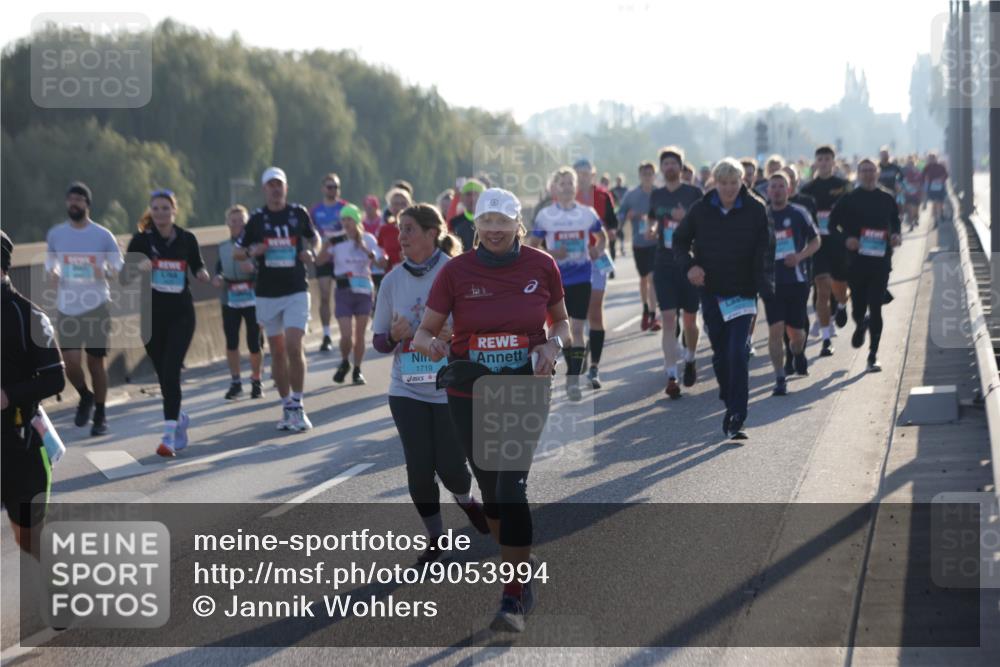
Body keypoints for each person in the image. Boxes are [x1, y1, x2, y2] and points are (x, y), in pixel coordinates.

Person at [413, 187, 569, 633]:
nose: (495, 230)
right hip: (469, 394)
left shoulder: (542, 266)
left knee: (511, 488)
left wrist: (552, 344)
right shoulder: (455, 272)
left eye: (503, 222)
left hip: (524, 387)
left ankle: (513, 594)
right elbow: (425, 333)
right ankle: (519, 563)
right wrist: (434, 345)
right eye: (487, 222)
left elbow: (561, 321)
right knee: (492, 491)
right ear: (475, 226)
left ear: (517, 224)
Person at [372, 203, 489, 564]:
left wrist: (455, 333)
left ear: (430, 233)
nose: (401, 236)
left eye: (408, 229)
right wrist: (393, 335)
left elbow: (483, 328)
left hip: (449, 386)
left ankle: (466, 500)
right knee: (419, 468)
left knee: (453, 470)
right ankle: (437, 539)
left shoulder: (456, 272)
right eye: (399, 229)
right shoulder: (392, 280)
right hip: (406, 388)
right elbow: (378, 342)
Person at [674, 158, 774, 438]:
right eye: (724, 183)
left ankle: (737, 416)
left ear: (743, 181)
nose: (729, 189)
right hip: (712, 292)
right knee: (721, 355)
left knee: (738, 352)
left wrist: (765, 286)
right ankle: (729, 400)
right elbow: (679, 242)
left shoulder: (756, 208)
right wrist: (690, 266)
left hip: (743, 292)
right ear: (715, 183)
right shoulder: (702, 209)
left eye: (734, 183)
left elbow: (767, 248)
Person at [122, 190, 211, 456]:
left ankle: (168, 435)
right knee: (163, 376)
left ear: (174, 211)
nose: (161, 212)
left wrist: (202, 273)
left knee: (171, 371)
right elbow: (124, 277)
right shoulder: (140, 241)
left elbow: (197, 266)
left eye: (165, 208)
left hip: (181, 314)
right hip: (151, 317)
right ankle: (180, 419)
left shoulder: (187, 239)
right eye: (156, 208)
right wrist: (138, 268)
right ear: (151, 211)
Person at [234, 167, 319, 432]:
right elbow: (237, 252)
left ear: (285, 187)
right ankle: (287, 406)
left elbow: (314, 238)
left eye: (279, 184)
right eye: (270, 185)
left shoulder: (298, 213)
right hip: (268, 292)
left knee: (295, 345)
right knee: (278, 350)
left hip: (295, 288)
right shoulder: (257, 219)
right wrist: (251, 250)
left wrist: (311, 253)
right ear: (264, 189)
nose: (275, 189)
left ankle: (299, 403)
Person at [2, 231, 65, 554]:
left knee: (29, 538)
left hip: (18, 441)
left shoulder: (27, 315)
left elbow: (55, 379)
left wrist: (8, 395)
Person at [44, 181, 123, 436]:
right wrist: (53, 272)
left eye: (79, 199)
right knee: (69, 363)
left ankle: (100, 414)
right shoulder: (56, 234)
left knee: (95, 363)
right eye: (70, 199)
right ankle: (84, 395)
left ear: (87, 204)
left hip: (96, 305)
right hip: (67, 306)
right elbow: (50, 262)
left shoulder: (102, 235)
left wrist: (106, 272)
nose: (74, 203)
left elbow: (118, 268)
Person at [529, 167, 607, 399]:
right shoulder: (545, 216)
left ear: (576, 187)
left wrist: (597, 249)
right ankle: (572, 367)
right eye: (561, 183)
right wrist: (552, 251)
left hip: (582, 276)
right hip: (556, 280)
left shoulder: (587, 213)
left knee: (577, 327)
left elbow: (603, 237)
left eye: (570, 183)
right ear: (554, 188)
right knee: (559, 330)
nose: (566, 187)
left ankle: (572, 380)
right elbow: (533, 246)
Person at [832, 158, 902, 372]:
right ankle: (861, 324)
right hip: (856, 262)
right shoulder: (848, 199)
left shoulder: (887, 197)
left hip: (880, 260)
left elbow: (895, 220)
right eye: (864, 171)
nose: (868, 174)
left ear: (878, 173)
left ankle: (873, 355)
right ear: (858, 174)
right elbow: (831, 226)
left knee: (876, 306)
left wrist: (896, 235)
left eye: (872, 170)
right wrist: (846, 240)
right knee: (859, 308)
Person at [649, 146, 703, 397]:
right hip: (664, 262)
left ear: (681, 167)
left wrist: (686, 219)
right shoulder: (657, 195)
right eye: (666, 164)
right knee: (669, 319)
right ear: (662, 168)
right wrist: (651, 229)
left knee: (690, 320)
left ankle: (690, 358)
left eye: (674, 163)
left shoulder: (694, 193)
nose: (670, 167)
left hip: (690, 263)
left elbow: (707, 226)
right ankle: (671, 374)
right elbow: (652, 219)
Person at [764, 173, 821, 395]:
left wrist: (799, 256)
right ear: (768, 191)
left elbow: (816, 240)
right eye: (773, 187)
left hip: (796, 280)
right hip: (771, 282)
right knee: (775, 330)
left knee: (796, 334)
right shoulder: (762, 215)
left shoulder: (799, 213)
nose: (777, 190)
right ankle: (779, 377)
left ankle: (797, 352)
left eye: (781, 186)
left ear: (788, 189)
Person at [801, 145, 851, 356]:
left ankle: (841, 305)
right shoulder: (807, 189)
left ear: (833, 162)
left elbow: (852, 212)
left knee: (839, 290)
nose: (823, 163)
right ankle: (826, 339)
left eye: (827, 159)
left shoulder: (843, 186)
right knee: (822, 290)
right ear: (816, 162)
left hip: (838, 244)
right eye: (820, 159)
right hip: (818, 245)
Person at [330, 205, 387, 385]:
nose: (346, 223)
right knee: (346, 335)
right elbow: (320, 260)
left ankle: (357, 369)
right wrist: (325, 244)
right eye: (344, 220)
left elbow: (381, 262)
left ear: (356, 221)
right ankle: (345, 360)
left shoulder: (368, 239)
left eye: (349, 219)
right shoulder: (337, 241)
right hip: (343, 291)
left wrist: (364, 248)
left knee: (360, 334)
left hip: (363, 290)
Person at [212, 205, 264, 400]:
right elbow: (219, 267)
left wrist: (254, 268)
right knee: (231, 341)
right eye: (233, 221)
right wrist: (217, 277)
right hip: (230, 296)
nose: (237, 225)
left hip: (252, 294)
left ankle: (256, 380)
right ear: (227, 223)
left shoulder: (255, 245)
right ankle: (235, 382)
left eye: (241, 221)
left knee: (254, 341)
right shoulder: (223, 246)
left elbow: (265, 268)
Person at [574, 159, 618, 385]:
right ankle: (580, 351)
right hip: (571, 265)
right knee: (575, 317)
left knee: (595, 311)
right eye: (578, 173)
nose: (582, 177)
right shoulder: (564, 198)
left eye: (586, 174)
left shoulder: (602, 196)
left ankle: (594, 367)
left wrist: (601, 245)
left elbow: (612, 225)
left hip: (596, 260)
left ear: (593, 175)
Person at [617, 162, 661, 332]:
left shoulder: (660, 194)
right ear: (640, 176)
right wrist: (627, 215)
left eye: (650, 174)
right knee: (644, 279)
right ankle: (645, 309)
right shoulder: (631, 195)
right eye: (644, 174)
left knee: (652, 278)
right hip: (639, 243)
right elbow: (619, 213)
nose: (648, 177)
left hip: (657, 243)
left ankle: (653, 315)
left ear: (654, 175)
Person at [310, 173, 349, 353]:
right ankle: (326, 335)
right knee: (325, 295)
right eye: (329, 186)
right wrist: (315, 251)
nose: (332, 190)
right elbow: (310, 235)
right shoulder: (315, 211)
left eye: (335, 187)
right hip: (324, 258)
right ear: (322, 189)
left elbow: (353, 231)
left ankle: (345, 332)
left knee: (343, 297)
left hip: (342, 258)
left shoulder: (345, 208)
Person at [377, 187, 410, 280]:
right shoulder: (384, 229)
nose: (399, 207)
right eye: (395, 204)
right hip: (390, 277)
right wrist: (381, 259)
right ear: (390, 207)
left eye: (403, 204)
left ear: (409, 205)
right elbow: (379, 252)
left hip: (411, 276)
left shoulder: (417, 228)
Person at [448, 179, 484, 252]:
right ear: (462, 198)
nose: (472, 198)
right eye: (468, 194)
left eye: (476, 194)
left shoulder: (490, 220)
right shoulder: (454, 222)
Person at [922, 152, 949, 226]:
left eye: (933, 158)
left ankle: (940, 214)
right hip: (932, 188)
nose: (931, 160)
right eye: (930, 158)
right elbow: (923, 176)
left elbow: (946, 175)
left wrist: (940, 179)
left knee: (940, 202)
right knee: (934, 203)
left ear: (936, 158)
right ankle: (935, 219)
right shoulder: (927, 167)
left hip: (940, 187)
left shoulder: (941, 166)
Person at [902, 155, 923, 231]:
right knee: (910, 209)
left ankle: (916, 218)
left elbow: (921, 182)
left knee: (916, 209)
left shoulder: (918, 172)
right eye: (909, 164)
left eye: (912, 164)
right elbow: (903, 182)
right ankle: (911, 224)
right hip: (908, 194)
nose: (910, 166)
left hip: (917, 194)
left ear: (914, 164)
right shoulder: (905, 173)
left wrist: (919, 187)